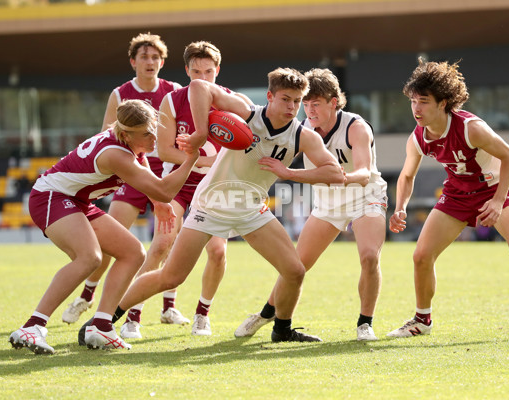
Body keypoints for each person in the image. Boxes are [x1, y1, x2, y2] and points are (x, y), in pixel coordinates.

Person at [104, 67, 345, 345]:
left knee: (294, 271)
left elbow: (335, 173)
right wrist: (201, 133)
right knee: (172, 277)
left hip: (251, 208)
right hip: (212, 203)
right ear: (269, 96)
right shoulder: (246, 112)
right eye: (285, 99)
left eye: (296, 100)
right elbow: (198, 86)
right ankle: (106, 318)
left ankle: (282, 329)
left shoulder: (303, 136)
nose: (291, 107)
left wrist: (290, 173)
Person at [386, 57, 509, 338]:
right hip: (456, 194)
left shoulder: (470, 127)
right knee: (421, 256)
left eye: (424, 101)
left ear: (442, 103)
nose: (416, 108)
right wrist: (400, 207)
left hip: (493, 189)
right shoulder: (417, 138)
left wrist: (498, 201)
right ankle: (422, 320)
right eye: (413, 101)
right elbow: (406, 176)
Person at [9, 99, 199, 354]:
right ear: (126, 134)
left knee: (133, 253)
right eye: (146, 133)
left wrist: (157, 203)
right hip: (51, 197)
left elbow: (146, 171)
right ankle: (33, 326)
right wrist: (190, 159)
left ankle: (100, 326)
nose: (154, 136)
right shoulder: (116, 153)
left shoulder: (128, 143)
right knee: (90, 258)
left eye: (154, 128)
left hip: (75, 199)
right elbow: (165, 190)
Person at [234, 68, 388, 341]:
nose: (308, 109)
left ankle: (365, 323)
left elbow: (364, 174)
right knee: (295, 265)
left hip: (366, 197)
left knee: (369, 256)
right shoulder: (302, 129)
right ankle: (265, 314)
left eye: (315, 103)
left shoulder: (356, 127)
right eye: (305, 103)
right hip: (327, 203)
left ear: (333, 101)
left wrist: (337, 178)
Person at [118, 41, 253, 340]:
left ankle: (202, 316)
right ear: (186, 71)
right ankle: (132, 317)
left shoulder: (232, 101)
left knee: (217, 252)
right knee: (162, 244)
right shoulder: (171, 100)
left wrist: (227, 162)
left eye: (208, 72)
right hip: (178, 184)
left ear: (217, 71)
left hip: (216, 187)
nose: (202, 79)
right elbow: (165, 152)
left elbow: (247, 145)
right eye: (196, 72)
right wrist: (203, 159)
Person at [61, 32, 185, 326]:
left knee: (166, 243)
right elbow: (109, 135)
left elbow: (179, 134)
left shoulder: (173, 90)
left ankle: (168, 307)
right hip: (130, 173)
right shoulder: (120, 94)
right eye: (144, 56)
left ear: (162, 61)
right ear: (133, 61)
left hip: (163, 173)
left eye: (155, 57)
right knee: (110, 244)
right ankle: (87, 296)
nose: (150, 61)